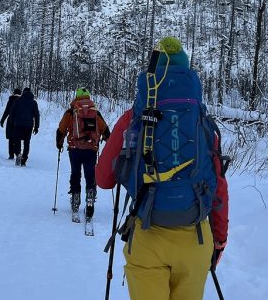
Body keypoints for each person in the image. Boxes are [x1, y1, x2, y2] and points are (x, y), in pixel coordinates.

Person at [96, 37, 229, 300]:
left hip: (148, 237)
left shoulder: (134, 118)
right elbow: (219, 187)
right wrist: (219, 240)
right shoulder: (202, 122)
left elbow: (103, 179)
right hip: (195, 240)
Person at [55, 87, 110, 222]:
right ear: (88, 97)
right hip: (91, 148)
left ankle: (75, 198)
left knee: (75, 173)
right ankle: (90, 197)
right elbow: (105, 130)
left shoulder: (71, 111)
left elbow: (61, 129)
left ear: (77, 96)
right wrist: (108, 143)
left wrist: (59, 143)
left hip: (74, 148)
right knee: (90, 174)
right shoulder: (95, 112)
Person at [8, 87, 39, 166]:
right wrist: (36, 127)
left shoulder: (17, 101)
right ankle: (24, 159)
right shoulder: (34, 103)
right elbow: (37, 115)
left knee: (17, 140)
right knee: (27, 142)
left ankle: (18, 153)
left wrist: (11, 123)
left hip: (18, 125)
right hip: (28, 126)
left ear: (23, 93)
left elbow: (12, 113)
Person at [0, 88, 22, 160]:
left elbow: (6, 111)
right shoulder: (22, 101)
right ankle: (18, 153)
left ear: (14, 93)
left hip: (10, 121)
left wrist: (2, 120)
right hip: (19, 121)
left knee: (10, 138)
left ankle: (11, 155)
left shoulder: (11, 100)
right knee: (17, 138)